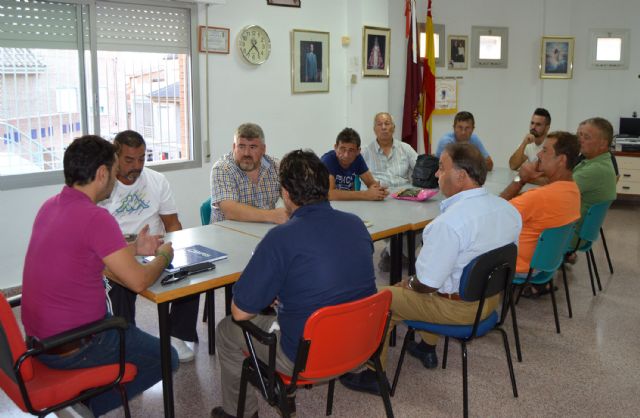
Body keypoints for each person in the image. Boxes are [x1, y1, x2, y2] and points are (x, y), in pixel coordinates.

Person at [339, 143, 521, 395]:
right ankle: (426, 347)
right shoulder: (508, 210)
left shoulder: (448, 224)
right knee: (439, 278)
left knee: (380, 298)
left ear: (460, 175)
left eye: (441, 168)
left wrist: (407, 284)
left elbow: (426, 284)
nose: (436, 174)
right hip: (490, 301)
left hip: (459, 309)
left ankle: (374, 375)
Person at [211, 150, 377, 418]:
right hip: (359, 345)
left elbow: (241, 312)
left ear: (285, 193)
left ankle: (239, 413)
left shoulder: (280, 238)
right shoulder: (357, 224)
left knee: (226, 329)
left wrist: (272, 290)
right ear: (326, 186)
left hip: (305, 355)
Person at [21, 135, 178, 417]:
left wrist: (134, 248)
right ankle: (90, 405)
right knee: (168, 358)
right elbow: (140, 281)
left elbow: (88, 253)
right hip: (79, 343)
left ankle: (84, 399)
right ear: (103, 173)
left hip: (38, 343)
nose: (117, 177)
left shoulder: (50, 206)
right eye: (115, 169)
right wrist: (165, 255)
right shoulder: (96, 217)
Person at [100, 130, 197, 362]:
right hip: (120, 252)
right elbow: (101, 240)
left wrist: (181, 248)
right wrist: (130, 248)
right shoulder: (104, 187)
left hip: (156, 248)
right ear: (115, 157)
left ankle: (176, 335)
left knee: (191, 273)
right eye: (129, 160)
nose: (137, 166)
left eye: (142, 158)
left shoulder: (156, 180)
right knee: (118, 285)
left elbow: (172, 223)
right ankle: (127, 341)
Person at [500, 131, 581, 283]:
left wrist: (520, 179)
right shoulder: (574, 191)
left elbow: (495, 213)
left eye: (544, 151)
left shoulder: (540, 198)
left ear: (561, 160)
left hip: (519, 267)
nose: (539, 155)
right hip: (547, 264)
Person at [361, 112, 419, 271]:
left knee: (421, 225)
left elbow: (421, 169)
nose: (384, 127)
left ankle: (393, 253)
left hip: (405, 199)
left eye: (387, 123)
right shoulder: (365, 152)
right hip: (379, 201)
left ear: (393, 127)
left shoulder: (405, 148)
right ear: (374, 129)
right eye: (380, 124)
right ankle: (400, 254)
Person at [210, 123, 288, 224]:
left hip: (263, 232)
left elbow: (292, 196)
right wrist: (273, 215)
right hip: (228, 234)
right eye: (241, 146)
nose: (246, 153)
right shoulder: (222, 168)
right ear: (234, 147)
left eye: (252, 147)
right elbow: (230, 211)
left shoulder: (276, 166)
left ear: (263, 149)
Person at [321, 127, 389, 201]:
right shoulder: (328, 160)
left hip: (347, 204)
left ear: (358, 151)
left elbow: (371, 183)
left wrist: (378, 191)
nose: (346, 155)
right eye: (342, 149)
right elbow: (330, 194)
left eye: (351, 150)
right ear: (335, 148)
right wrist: (366, 194)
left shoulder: (357, 158)